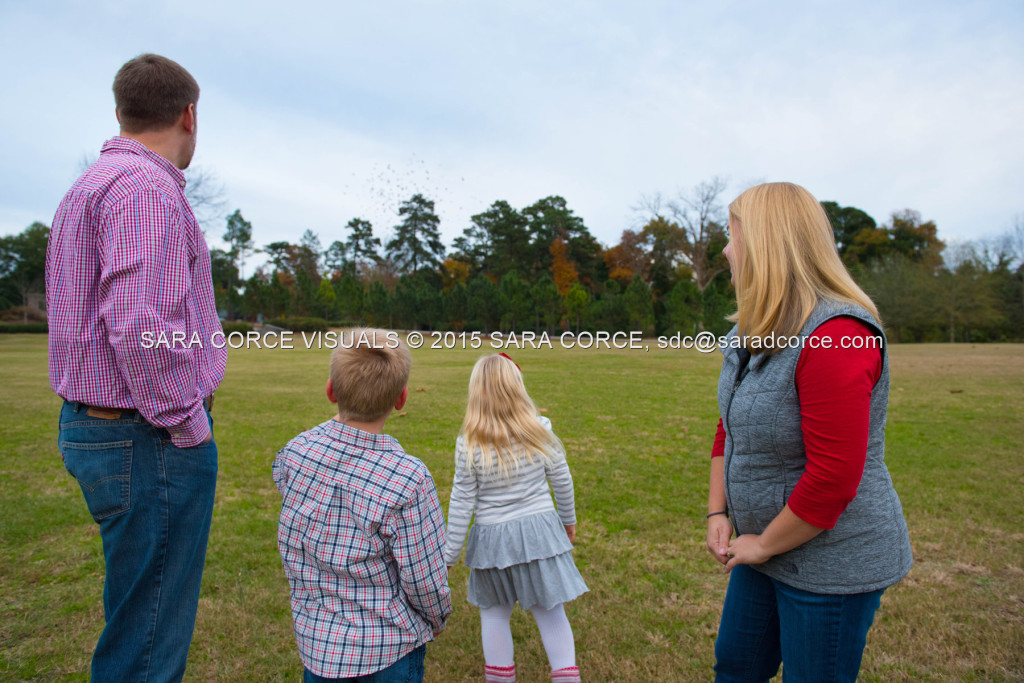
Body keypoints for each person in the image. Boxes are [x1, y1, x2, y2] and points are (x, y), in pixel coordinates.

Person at [46, 54, 224, 681]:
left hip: (107, 425)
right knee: (148, 640)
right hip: (146, 433)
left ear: (121, 111)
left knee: (135, 616)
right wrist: (186, 423)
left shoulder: (91, 187)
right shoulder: (144, 192)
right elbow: (143, 327)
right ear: (188, 115)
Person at [705, 182, 913, 682]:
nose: (726, 250)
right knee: (736, 668)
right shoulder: (755, 329)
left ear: (765, 243)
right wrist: (719, 510)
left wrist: (762, 544)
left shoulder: (838, 335)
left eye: (732, 235)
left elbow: (834, 476)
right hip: (763, 547)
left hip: (829, 562)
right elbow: (728, 424)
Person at [273, 328, 452, 682]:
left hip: (318, 647)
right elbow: (426, 580)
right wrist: (437, 616)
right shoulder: (408, 478)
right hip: (389, 650)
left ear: (330, 390)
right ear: (401, 399)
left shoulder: (294, 454)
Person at [445, 353, 588, 683]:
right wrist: (568, 520)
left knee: (494, 616)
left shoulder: (468, 444)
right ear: (518, 388)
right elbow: (562, 479)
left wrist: (449, 554)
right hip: (539, 536)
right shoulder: (539, 429)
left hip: (491, 541)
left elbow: (461, 502)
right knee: (552, 615)